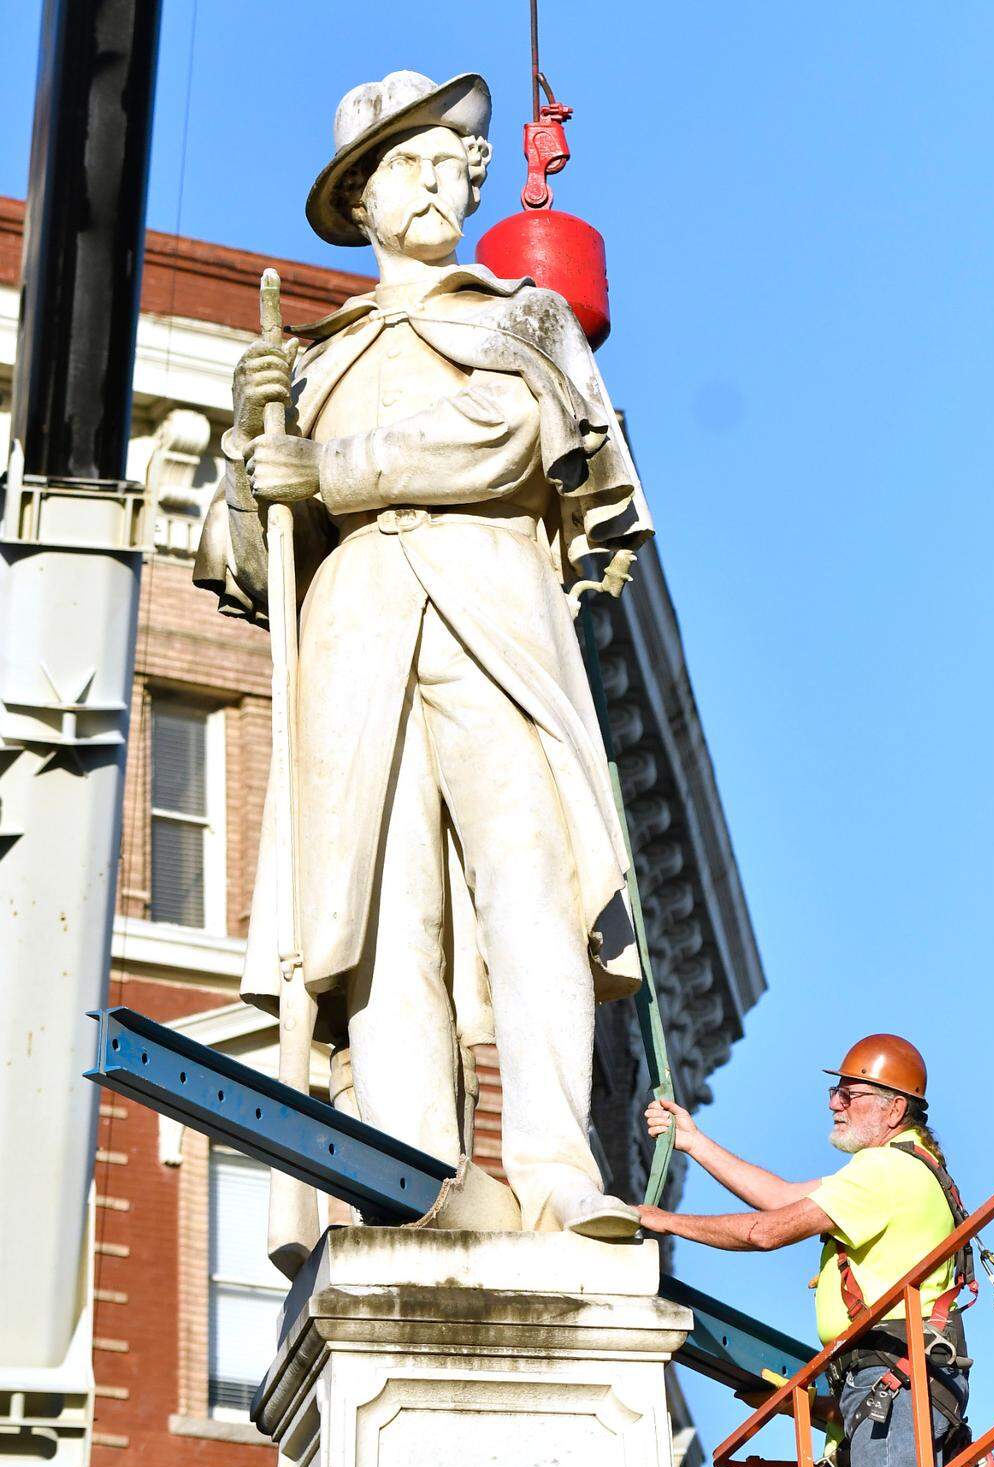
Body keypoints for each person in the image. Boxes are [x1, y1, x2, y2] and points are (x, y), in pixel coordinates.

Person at [196, 71, 654, 1260]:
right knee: (385, 915)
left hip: (490, 610)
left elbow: (502, 439)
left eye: (462, 164)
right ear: (360, 198)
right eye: (415, 163)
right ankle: (411, 1173)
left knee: (532, 882)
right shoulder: (307, 364)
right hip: (358, 631)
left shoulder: (519, 317)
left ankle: (560, 1172)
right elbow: (253, 560)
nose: (447, 182)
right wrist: (255, 464)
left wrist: (326, 470)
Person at [636, 1034, 971, 1467]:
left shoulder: (890, 1171)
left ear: (893, 1109)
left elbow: (767, 1230)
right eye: (835, 1090)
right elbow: (782, 1196)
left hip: (898, 1384)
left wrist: (661, 1222)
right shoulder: (892, 1168)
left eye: (851, 1092)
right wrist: (693, 1141)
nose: (835, 1103)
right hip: (879, 1390)